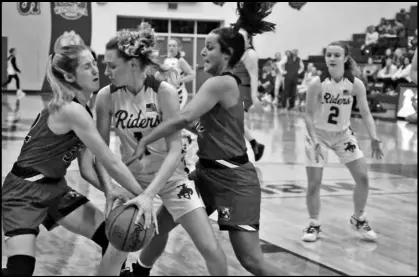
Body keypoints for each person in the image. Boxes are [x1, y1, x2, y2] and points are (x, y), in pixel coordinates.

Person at [124, 3, 286, 276]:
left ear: (228, 54)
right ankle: (140, 271)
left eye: (210, 47)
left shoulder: (220, 83)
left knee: (251, 261)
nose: (202, 51)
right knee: (160, 225)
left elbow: (185, 118)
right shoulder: (217, 84)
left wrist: (146, 139)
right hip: (206, 174)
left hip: (234, 181)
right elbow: (196, 125)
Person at [1, 45, 156, 276]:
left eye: (94, 63)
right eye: (87, 66)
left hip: (54, 188)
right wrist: (143, 195)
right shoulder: (70, 110)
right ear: (69, 76)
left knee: (113, 238)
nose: (95, 69)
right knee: (21, 270)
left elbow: (87, 168)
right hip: (23, 191)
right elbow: (109, 160)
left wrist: (110, 190)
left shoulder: (83, 109)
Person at [94, 24, 227, 276]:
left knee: (209, 247)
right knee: (115, 251)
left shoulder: (163, 92)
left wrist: (150, 195)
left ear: (133, 64)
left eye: (112, 65)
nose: (106, 71)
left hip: (172, 178)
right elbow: (100, 152)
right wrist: (110, 189)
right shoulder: (105, 96)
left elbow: (176, 149)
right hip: (131, 179)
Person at [302, 41, 384, 242]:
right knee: (314, 183)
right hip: (318, 135)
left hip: (343, 135)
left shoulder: (355, 84)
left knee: (363, 178)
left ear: (345, 58)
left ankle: (358, 218)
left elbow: (365, 113)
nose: (331, 58)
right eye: (328, 54)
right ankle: (313, 224)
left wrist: (374, 137)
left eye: (336, 55)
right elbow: (308, 115)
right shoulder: (316, 83)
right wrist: (314, 140)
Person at [233, 19, 266, 162]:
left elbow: (254, 77)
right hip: (235, 90)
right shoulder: (238, 52)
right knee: (234, 123)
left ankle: (244, 151)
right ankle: (254, 145)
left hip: (244, 92)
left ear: (248, 39)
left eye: (242, 37)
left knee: (233, 123)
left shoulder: (250, 54)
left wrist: (254, 97)